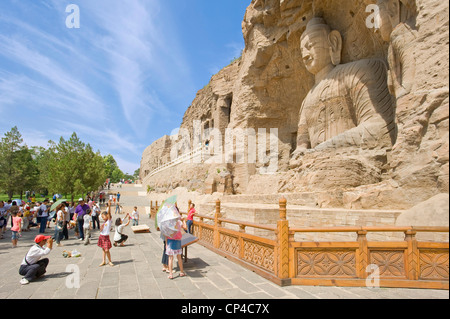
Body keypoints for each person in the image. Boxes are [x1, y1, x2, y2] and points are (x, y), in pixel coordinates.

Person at [165, 214, 187, 280]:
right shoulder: (179, 222)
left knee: (170, 258)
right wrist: (184, 220)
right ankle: (181, 272)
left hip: (170, 240)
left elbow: (166, 234)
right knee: (179, 257)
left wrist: (166, 243)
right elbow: (185, 227)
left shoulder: (168, 223)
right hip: (177, 240)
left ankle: (171, 274)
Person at [98, 201, 114, 267]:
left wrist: (109, 206)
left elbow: (109, 213)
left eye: (103, 216)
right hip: (102, 236)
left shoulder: (109, 221)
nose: (103, 217)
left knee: (107, 250)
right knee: (103, 249)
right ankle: (103, 261)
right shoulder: (104, 222)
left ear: (107, 216)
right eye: (102, 217)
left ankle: (109, 261)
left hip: (106, 237)